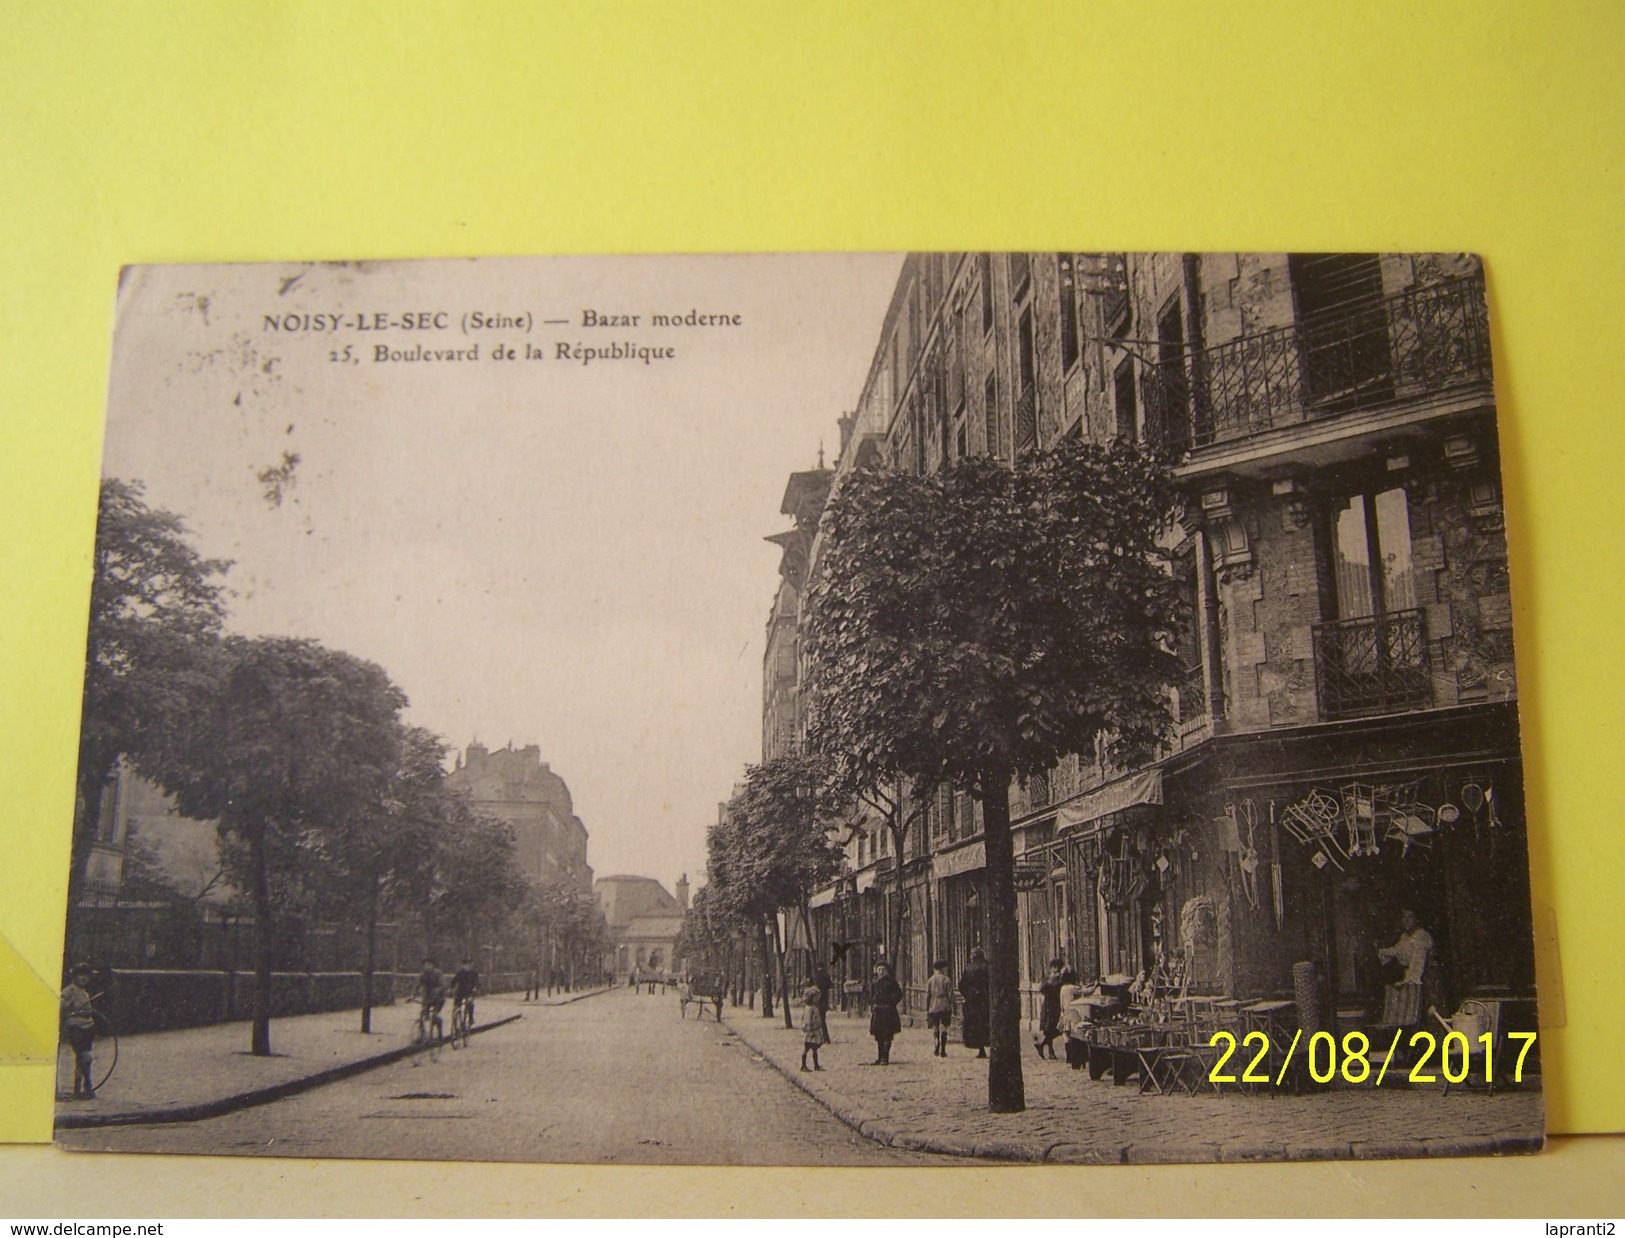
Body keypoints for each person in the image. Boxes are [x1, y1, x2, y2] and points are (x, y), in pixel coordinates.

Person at [1376, 908, 1437, 1026]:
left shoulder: (1421, 936)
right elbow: (1397, 950)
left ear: (1416, 920)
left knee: (1426, 1013)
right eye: (1404, 917)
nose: (1406, 920)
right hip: (1411, 975)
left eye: (1410, 917)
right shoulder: (1404, 936)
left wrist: (1407, 982)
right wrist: (1380, 951)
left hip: (1425, 977)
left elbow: (1417, 961)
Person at [60, 963, 99, 1099]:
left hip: (87, 1027)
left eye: (86, 976)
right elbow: (60, 1004)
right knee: (85, 1057)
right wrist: (70, 1004)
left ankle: (79, 1088)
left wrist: (89, 1011)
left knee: (83, 1059)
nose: (83, 978)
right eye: (80, 975)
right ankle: (87, 1085)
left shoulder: (85, 993)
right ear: (75, 976)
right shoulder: (69, 990)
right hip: (75, 1027)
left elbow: (88, 1010)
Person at [958, 947, 990, 1058]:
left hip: (973, 1001)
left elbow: (961, 985)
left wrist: (968, 995)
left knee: (975, 1024)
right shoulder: (988, 967)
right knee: (987, 1022)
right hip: (987, 1000)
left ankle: (980, 1048)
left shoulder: (968, 969)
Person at [869, 962, 904, 1064]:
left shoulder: (892, 983)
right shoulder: (875, 983)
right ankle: (880, 1056)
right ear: (876, 971)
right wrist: (873, 1001)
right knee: (878, 1035)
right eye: (879, 969)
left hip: (888, 1011)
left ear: (887, 971)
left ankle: (885, 1057)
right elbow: (871, 995)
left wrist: (891, 1002)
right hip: (878, 1011)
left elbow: (898, 994)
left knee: (887, 1034)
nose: (881, 972)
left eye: (883, 970)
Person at [1035, 957, 1065, 1059]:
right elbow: (1042, 989)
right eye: (1054, 967)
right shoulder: (1048, 978)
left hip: (1055, 1006)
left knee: (1055, 1030)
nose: (1055, 969)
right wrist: (1052, 980)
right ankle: (1050, 1051)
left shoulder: (1061, 978)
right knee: (1049, 1030)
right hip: (1049, 1006)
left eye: (1057, 967)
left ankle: (1042, 1045)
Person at [1057, 969, 1087, 1068]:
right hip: (1074, 1013)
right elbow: (1086, 991)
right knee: (1076, 1035)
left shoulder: (1063, 988)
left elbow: (1061, 1003)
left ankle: (1069, 1057)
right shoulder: (1073, 988)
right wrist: (1095, 985)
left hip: (1065, 1012)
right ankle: (1077, 1057)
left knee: (1066, 1035)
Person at [925, 959, 954, 1057]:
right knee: (944, 1026)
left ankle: (936, 1044)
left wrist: (927, 1006)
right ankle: (943, 1049)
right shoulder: (946, 979)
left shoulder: (930, 980)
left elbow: (928, 995)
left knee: (935, 1026)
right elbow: (950, 994)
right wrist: (953, 1006)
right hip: (944, 1004)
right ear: (942, 968)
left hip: (934, 1005)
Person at [414, 957, 447, 1037]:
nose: (427, 967)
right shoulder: (422, 975)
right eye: (425, 965)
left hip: (438, 999)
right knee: (422, 1014)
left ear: (433, 966)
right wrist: (413, 995)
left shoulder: (438, 974)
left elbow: (443, 985)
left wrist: (438, 990)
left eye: (429, 965)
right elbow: (418, 985)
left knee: (435, 1016)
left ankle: (439, 1033)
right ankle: (422, 1035)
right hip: (428, 998)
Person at [800, 981, 827, 1072]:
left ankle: (816, 1065)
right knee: (806, 1048)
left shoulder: (814, 1008)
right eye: (816, 997)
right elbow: (807, 1020)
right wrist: (809, 1030)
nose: (818, 999)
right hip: (810, 1031)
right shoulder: (809, 1009)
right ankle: (803, 1065)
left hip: (815, 1031)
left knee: (815, 1048)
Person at [450, 957, 480, 1028]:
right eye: (467, 965)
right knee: (456, 1006)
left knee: (470, 1004)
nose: (469, 966)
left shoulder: (474, 973)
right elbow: (454, 981)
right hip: (460, 991)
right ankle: (455, 1020)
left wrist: (475, 988)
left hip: (469, 992)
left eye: (470, 965)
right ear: (463, 966)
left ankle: (470, 1018)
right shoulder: (460, 973)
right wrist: (451, 988)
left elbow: (477, 982)